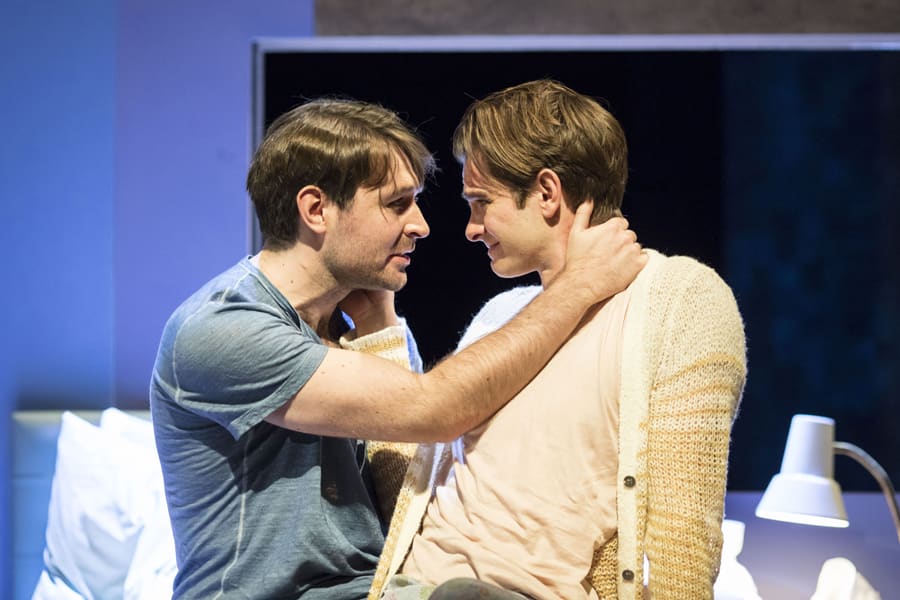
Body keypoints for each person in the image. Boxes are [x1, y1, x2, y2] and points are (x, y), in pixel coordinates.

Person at [149, 97, 646, 599]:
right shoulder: (223, 327)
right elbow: (435, 409)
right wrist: (576, 286)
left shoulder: (358, 327)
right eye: (396, 204)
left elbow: (405, 489)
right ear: (316, 210)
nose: (421, 225)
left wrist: (380, 329)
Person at [369, 80, 748, 600]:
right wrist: (378, 328)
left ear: (547, 193)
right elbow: (413, 502)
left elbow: (684, 535)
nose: (470, 228)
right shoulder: (503, 314)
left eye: (481, 202)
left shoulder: (679, 298)